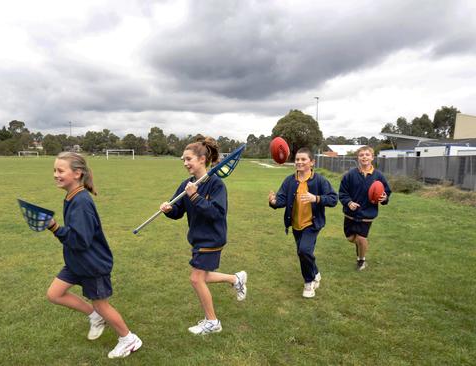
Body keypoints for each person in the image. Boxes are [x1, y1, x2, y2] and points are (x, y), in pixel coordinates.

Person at [45, 152, 142, 359]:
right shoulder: (72, 196)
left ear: (77, 173)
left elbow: (81, 240)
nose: (55, 174)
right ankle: (94, 316)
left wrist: (55, 228)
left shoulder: (81, 202)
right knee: (54, 294)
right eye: (54, 170)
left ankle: (129, 339)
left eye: (60, 170)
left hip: (92, 264)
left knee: (101, 303)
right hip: (76, 262)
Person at [160, 137, 247, 335]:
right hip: (198, 237)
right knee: (203, 276)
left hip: (212, 238)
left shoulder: (216, 185)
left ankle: (212, 322)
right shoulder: (186, 184)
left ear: (201, 159)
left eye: (188, 159)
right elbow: (177, 212)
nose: (185, 163)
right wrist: (168, 209)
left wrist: (195, 196)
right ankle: (236, 279)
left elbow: (217, 214)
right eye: (183, 159)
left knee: (196, 278)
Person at [268, 147, 338, 298]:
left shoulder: (320, 180)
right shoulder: (289, 181)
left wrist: (316, 198)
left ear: (312, 162)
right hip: (296, 225)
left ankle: (309, 282)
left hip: (312, 225)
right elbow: (281, 199)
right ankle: (315, 272)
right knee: (303, 253)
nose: (299, 162)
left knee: (304, 251)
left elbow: (333, 199)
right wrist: (273, 201)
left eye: (303, 159)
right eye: (297, 159)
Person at [339, 145, 391, 270]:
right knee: (351, 238)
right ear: (358, 158)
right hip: (350, 213)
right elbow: (342, 193)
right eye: (361, 155)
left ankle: (361, 260)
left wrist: (385, 198)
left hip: (367, 213)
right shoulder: (350, 175)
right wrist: (348, 202)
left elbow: (386, 192)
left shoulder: (378, 176)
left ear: (372, 157)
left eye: (367, 155)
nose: (364, 157)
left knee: (362, 238)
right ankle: (361, 245)